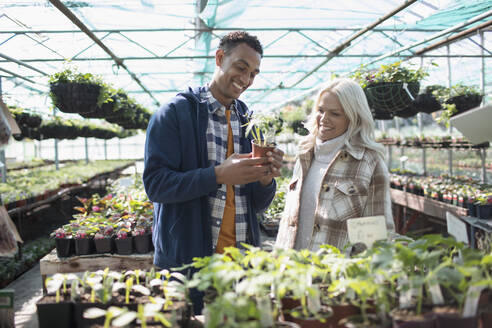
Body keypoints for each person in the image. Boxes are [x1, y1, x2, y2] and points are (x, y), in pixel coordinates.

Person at [143, 31, 284, 311]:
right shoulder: (175, 113)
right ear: (220, 58)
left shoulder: (250, 122)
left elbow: (255, 204)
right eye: (241, 67)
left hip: (241, 264)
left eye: (254, 73)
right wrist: (217, 176)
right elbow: (156, 185)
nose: (246, 79)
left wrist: (266, 179)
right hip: (189, 264)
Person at [275, 78, 394, 252]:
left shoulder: (369, 163)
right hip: (291, 272)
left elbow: (375, 239)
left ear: (353, 118)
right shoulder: (305, 154)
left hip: (333, 276)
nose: (324, 119)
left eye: (335, 114)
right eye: (320, 110)